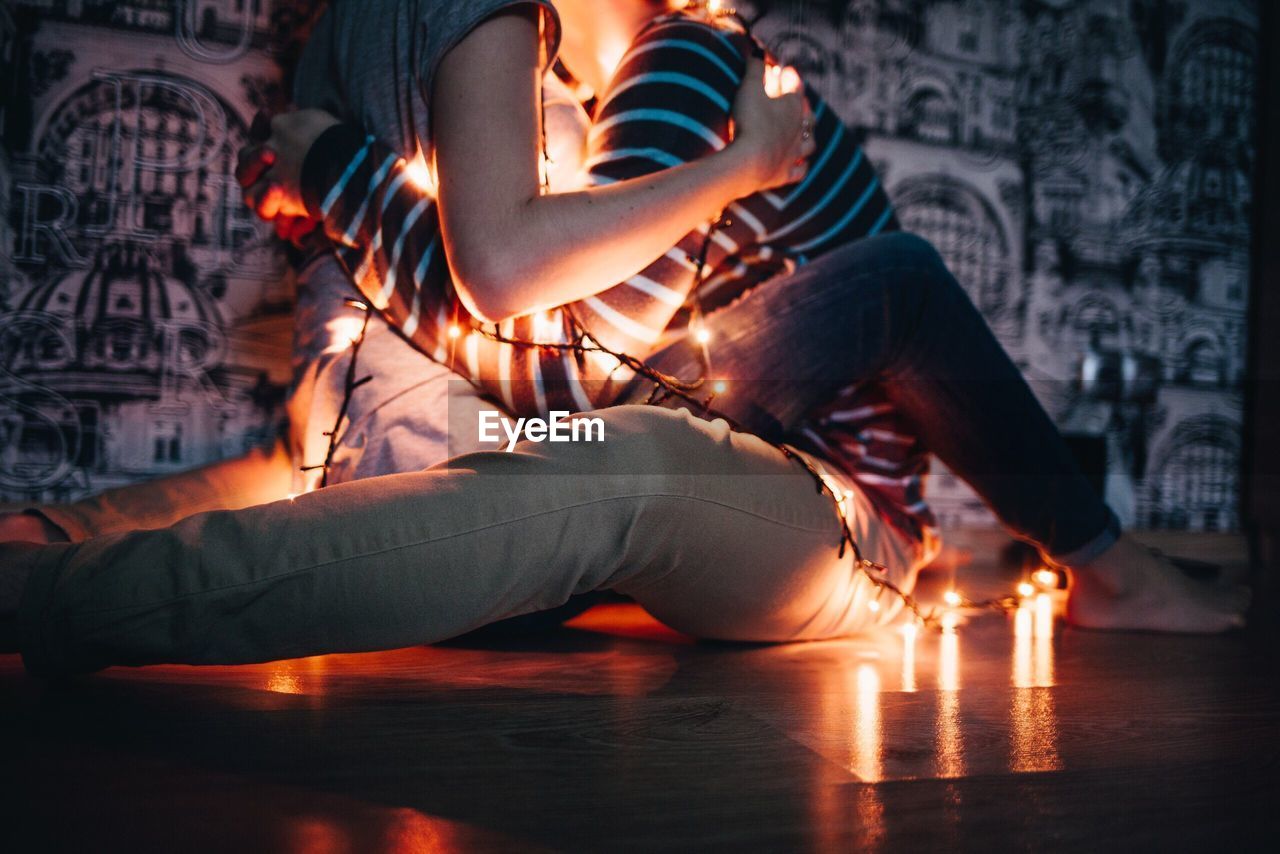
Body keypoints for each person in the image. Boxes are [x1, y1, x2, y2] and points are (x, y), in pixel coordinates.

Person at [0, 1, 1247, 676]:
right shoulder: (597, 113)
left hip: (836, 509)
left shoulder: (692, 54)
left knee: (596, 440)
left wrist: (339, 169)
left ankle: (1105, 558)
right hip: (686, 437)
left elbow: (557, 371)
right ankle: (49, 541)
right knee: (465, 443)